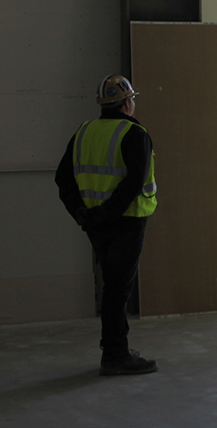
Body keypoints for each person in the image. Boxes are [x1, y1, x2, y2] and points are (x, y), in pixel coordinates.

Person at [54, 74, 159, 376]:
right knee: (118, 289)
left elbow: (62, 178)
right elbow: (133, 185)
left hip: (96, 226)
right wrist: (107, 214)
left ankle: (115, 349)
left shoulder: (83, 132)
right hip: (126, 222)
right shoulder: (134, 133)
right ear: (127, 102)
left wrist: (81, 213)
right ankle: (115, 356)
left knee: (112, 286)